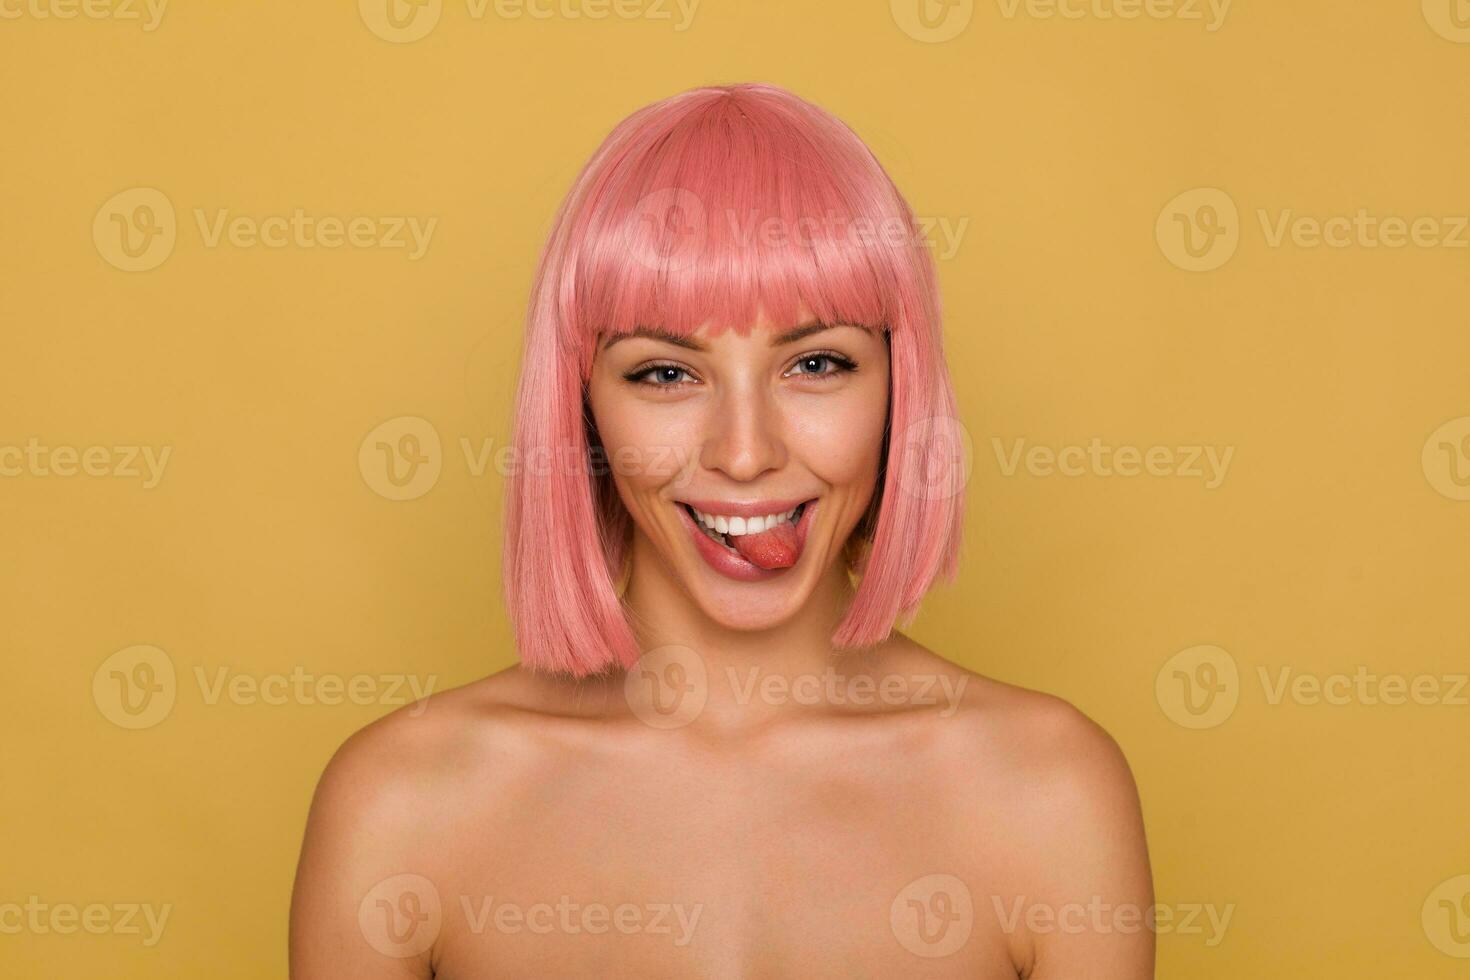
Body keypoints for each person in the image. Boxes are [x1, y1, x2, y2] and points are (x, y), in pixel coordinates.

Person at [289, 81, 1153, 978]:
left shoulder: (1049, 795)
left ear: (903, 388)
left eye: (816, 363)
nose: (744, 454)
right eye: (665, 374)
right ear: (580, 409)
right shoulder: (401, 806)